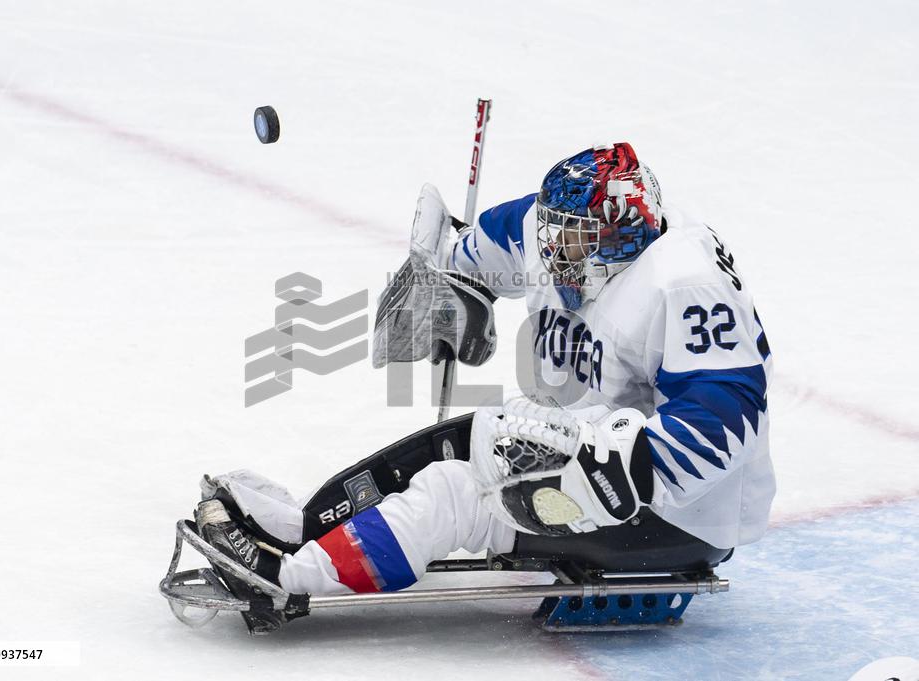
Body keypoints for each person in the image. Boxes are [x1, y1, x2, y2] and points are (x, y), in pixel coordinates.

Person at [195, 141, 776, 634]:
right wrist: (449, 277)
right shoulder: (564, 235)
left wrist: (618, 469)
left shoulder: (685, 286)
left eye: (570, 241)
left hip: (674, 508)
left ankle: (285, 581)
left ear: (620, 234)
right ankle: (305, 532)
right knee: (456, 445)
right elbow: (494, 241)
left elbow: (728, 415)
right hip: (588, 443)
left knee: (457, 491)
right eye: (554, 233)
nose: (552, 252)